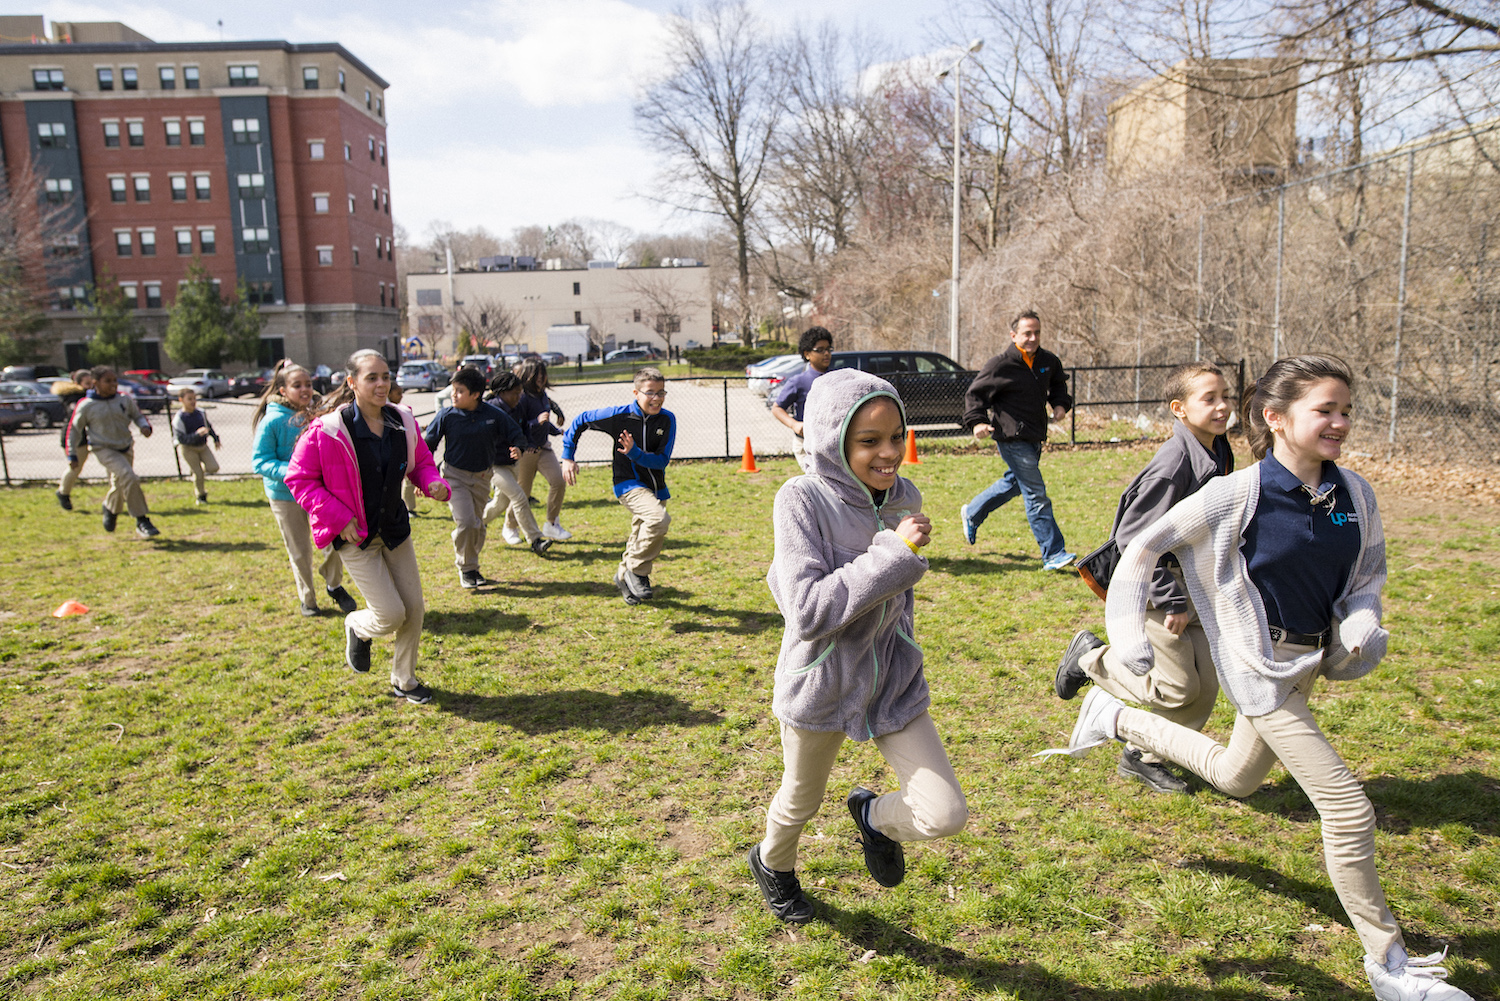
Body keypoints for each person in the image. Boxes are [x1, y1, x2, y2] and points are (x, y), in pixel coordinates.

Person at [1038, 355, 1476, 1001]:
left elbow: (1366, 579)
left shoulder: (1354, 494)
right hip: (1256, 667)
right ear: (1275, 418)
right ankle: (1389, 964)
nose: (1340, 422)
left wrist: (1360, 623)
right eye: (1324, 409)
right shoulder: (1235, 494)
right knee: (1349, 811)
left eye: (1345, 409)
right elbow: (1140, 549)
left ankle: (1114, 716)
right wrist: (1129, 634)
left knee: (1239, 777)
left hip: (1306, 666)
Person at [748, 368, 968, 925]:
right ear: (832, 439)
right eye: (869, 441)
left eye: (896, 435)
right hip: (822, 682)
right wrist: (893, 554)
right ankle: (773, 863)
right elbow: (808, 611)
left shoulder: (904, 495)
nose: (889, 452)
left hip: (891, 679)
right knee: (800, 798)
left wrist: (899, 569)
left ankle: (872, 819)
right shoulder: (799, 500)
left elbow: (897, 598)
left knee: (945, 813)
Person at [1053, 362, 1234, 794]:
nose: (1223, 406)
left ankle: (1144, 755)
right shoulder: (1175, 465)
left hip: (1197, 585)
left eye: (1225, 395)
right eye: (1209, 398)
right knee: (1176, 687)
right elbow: (1132, 535)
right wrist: (1169, 598)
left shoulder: (1218, 450)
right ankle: (1090, 659)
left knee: (1206, 687)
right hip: (1157, 587)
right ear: (1180, 409)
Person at [286, 349, 450, 704]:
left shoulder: (402, 421)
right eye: (371, 377)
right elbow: (299, 480)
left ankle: (404, 680)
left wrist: (432, 482)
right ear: (352, 383)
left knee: (414, 609)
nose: (381, 384)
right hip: (354, 536)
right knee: (390, 614)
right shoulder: (327, 430)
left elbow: (420, 461)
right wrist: (337, 516)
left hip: (394, 528)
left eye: (386, 376)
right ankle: (357, 627)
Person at [959, 309, 1075, 570]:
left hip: (1035, 435)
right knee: (1036, 494)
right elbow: (974, 396)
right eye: (1027, 333)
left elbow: (1058, 385)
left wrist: (1059, 405)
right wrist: (977, 421)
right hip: (1010, 437)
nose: (1033, 338)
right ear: (1014, 335)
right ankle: (1053, 553)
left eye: (1037, 333)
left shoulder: (1048, 360)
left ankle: (973, 512)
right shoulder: (1001, 364)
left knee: (1014, 484)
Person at [560, 367, 676, 605]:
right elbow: (580, 420)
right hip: (627, 484)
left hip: (655, 488)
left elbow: (661, 460)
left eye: (661, 392)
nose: (657, 398)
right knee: (659, 520)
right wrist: (568, 457)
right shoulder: (618, 416)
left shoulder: (667, 419)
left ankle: (623, 577)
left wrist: (635, 453)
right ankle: (637, 571)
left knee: (639, 536)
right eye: (650, 392)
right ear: (636, 392)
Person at [251, 360, 358, 618]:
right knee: (300, 551)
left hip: (317, 494)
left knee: (335, 542)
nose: (305, 389)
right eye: (297, 385)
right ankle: (308, 599)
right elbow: (260, 461)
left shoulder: (317, 413)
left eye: (308, 384)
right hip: (285, 496)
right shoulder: (273, 420)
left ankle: (333, 585)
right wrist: (294, 473)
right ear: (283, 390)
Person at [424, 367, 547, 589]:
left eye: (459, 391)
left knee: (477, 525)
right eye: (453, 390)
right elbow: (427, 447)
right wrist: (426, 477)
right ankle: (468, 568)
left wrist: (518, 447)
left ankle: (470, 560)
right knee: (467, 523)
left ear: (475, 395)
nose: (453, 395)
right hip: (454, 477)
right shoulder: (446, 415)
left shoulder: (492, 414)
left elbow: (515, 433)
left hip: (482, 478)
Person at [67, 366, 159, 538]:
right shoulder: (86, 405)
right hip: (104, 449)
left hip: (125, 446)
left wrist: (144, 426)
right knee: (129, 477)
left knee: (121, 482)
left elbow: (137, 415)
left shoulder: (124, 400)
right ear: (95, 383)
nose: (113, 385)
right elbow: (74, 430)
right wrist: (71, 453)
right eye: (107, 381)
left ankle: (109, 507)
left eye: (114, 380)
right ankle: (142, 520)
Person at [483, 370, 550, 552]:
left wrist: (521, 447)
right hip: (494, 465)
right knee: (520, 497)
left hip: (512, 463)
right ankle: (536, 540)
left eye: (520, 393)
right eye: (515, 393)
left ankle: (477, 523)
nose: (518, 397)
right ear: (501, 392)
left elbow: (524, 429)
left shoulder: (518, 406)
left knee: (500, 504)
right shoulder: (489, 410)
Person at [506, 358, 571, 541]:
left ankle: (551, 524)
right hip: (526, 451)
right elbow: (518, 425)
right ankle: (510, 526)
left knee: (558, 481)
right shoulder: (522, 397)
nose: (541, 378)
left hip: (543, 448)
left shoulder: (542, 395)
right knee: (522, 492)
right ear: (528, 375)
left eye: (543, 374)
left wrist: (557, 431)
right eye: (537, 374)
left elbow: (544, 422)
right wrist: (536, 422)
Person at [769, 326, 834, 474]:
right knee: (819, 483)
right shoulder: (798, 381)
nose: (826, 353)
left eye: (829, 349)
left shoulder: (836, 378)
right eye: (820, 349)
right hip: (805, 444)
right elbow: (777, 408)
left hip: (831, 444)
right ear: (807, 354)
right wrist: (794, 424)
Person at [171, 387, 221, 504]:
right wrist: (197, 434)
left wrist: (216, 439)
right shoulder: (179, 419)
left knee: (213, 467)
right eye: (189, 399)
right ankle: (201, 496)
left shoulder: (200, 413)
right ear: (181, 400)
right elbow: (182, 439)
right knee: (198, 473)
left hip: (203, 446)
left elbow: (208, 426)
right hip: (188, 448)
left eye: (194, 399)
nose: (193, 401)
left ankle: (196, 471)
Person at [55, 368, 95, 510]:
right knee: (75, 467)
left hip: (91, 435)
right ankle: (63, 493)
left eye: (92, 382)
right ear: (78, 383)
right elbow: (74, 412)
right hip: (74, 436)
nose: (90, 386)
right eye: (87, 383)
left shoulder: (91, 395)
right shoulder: (73, 396)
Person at [387, 381, 420, 516]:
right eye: (398, 393)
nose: (401, 396)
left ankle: (409, 507)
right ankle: (408, 508)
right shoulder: (386, 413)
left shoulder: (402, 412)